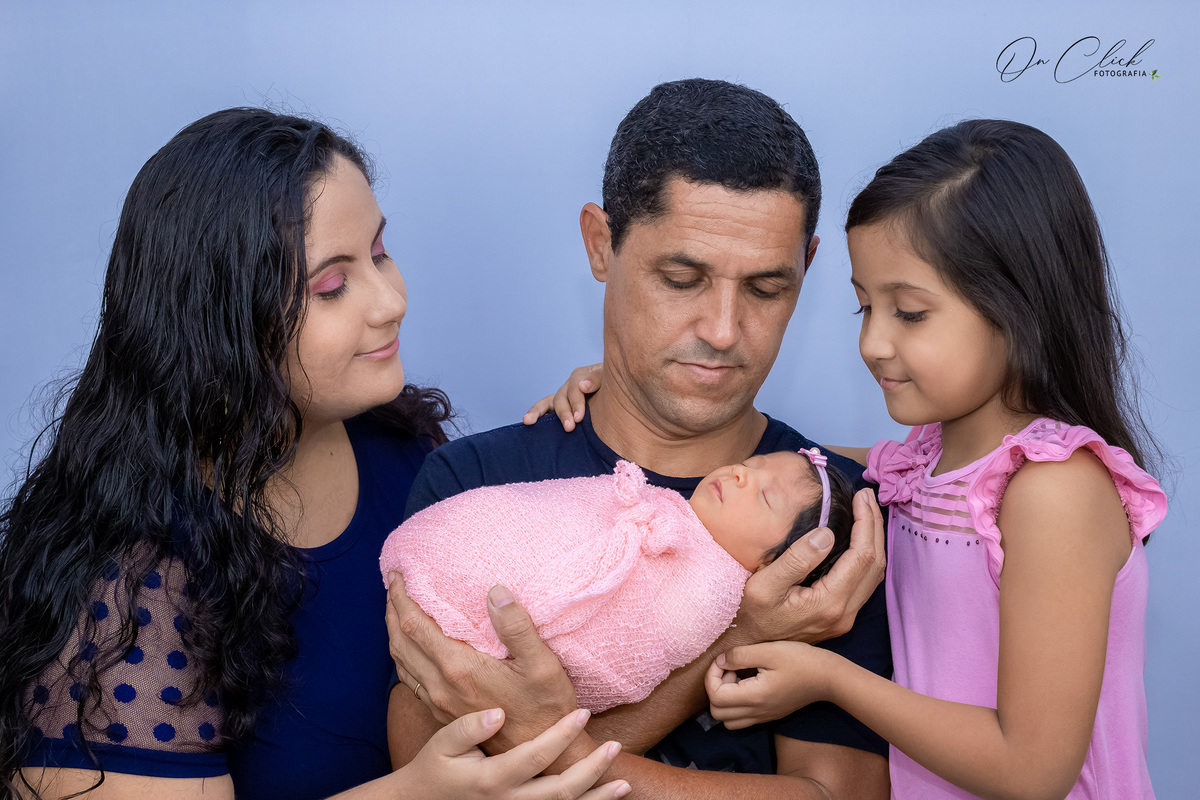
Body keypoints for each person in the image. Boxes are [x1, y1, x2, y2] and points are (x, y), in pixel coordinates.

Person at [0, 108, 631, 800]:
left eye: (381, 252)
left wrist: (603, 423)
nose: (391, 300)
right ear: (223, 323)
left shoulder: (405, 449)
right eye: (333, 286)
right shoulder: (127, 584)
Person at [386, 78, 891, 797]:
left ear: (807, 267)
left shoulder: (828, 522)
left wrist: (546, 745)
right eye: (682, 278)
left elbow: (838, 797)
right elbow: (423, 769)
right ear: (601, 243)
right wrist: (733, 641)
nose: (723, 330)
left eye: (766, 289)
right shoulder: (478, 484)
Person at [705, 120, 1167, 799]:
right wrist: (619, 394)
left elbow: (1032, 771)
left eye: (911, 313)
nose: (873, 343)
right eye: (864, 308)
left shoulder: (1053, 491)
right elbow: (780, 450)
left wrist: (829, 678)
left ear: (1020, 308)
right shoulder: (918, 467)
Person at [381, 451, 853, 712]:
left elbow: (640, 646)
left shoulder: (713, 592)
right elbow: (557, 511)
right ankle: (453, 560)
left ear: (779, 563)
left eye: (765, 496)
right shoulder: (666, 503)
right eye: (751, 464)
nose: (741, 475)